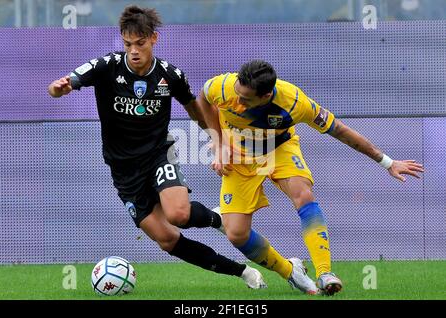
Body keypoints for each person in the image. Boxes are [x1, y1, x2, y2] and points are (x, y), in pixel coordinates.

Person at [47, 6, 271, 290]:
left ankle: (217, 220)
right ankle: (241, 271)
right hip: (123, 170)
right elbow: (64, 84)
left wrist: (217, 140)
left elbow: (195, 107)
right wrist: (59, 88)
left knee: (178, 214)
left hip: (158, 155)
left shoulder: (170, 75)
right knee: (167, 240)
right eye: (128, 44)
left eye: (140, 43)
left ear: (154, 38)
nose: (134, 50)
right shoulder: (107, 66)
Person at [196, 59, 424, 296]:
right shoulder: (225, 86)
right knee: (236, 234)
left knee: (303, 195)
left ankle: (325, 272)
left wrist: (386, 162)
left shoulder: (295, 103)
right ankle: (290, 271)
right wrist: (218, 141)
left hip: (279, 149)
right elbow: (204, 98)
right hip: (240, 155)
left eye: (246, 100)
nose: (238, 102)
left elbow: (339, 130)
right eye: (238, 95)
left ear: (265, 96)